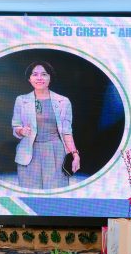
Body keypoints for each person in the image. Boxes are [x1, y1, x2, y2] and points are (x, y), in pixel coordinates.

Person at [11, 61, 80, 189]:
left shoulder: (63, 101)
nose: (39, 78)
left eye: (44, 74)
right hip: (28, 151)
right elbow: (16, 126)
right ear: (29, 79)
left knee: (55, 191)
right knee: (30, 192)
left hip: (55, 151)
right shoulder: (21, 100)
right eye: (35, 74)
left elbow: (67, 132)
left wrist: (75, 155)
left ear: (50, 77)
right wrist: (21, 131)